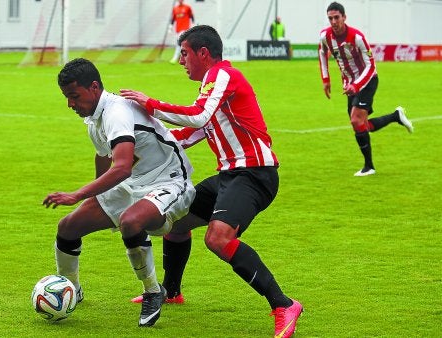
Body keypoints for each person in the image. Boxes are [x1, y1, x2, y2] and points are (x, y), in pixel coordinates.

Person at [120, 25, 303, 338]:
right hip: (230, 175)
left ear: (203, 53)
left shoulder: (222, 75)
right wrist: (139, 142)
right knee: (175, 224)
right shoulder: (212, 83)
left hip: (254, 174)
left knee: (217, 238)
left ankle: (283, 304)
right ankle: (172, 291)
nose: (181, 61)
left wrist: (150, 103)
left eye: (185, 53)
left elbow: (198, 117)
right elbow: (193, 132)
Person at [44, 58, 195, 327]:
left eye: (74, 96)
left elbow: (122, 167)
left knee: (131, 221)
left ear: (93, 87)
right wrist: (94, 198)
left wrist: (76, 195)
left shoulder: (117, 112)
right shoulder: (94, 119)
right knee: (68, 227)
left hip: (168, 180)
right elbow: (104, 157)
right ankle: (70, 289)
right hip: (133, 184)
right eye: (66, 97)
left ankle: (152, 291)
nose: (70, 104)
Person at [318, 2, 413, 176]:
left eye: (336, 17)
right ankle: (395, 116)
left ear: (344, 17)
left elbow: (371, 66)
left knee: (355, 120)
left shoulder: (357, 37)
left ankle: (369, 167)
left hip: (368, 81)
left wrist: (356, 85)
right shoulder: (325, 36)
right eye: (330, 18)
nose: (333, 21)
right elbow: (322, 53)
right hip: (349, 85)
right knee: (362, 125)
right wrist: (326, 79)